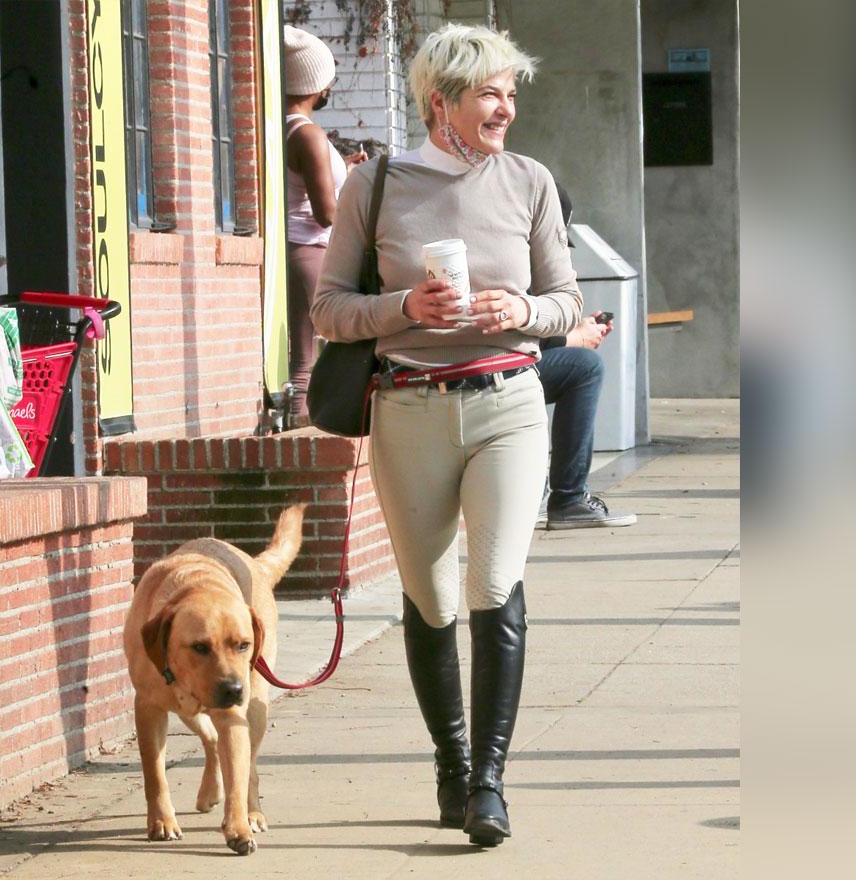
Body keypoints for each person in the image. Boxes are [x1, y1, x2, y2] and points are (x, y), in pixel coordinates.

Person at [311, 24, 579, 847]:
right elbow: (327, 312)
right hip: (408, 407)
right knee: (429, 596)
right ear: (442, 103)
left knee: (493, 583)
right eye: (490, 93)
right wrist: (405, 309)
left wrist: (522, 311)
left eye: (510, 93)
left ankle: (490, 784)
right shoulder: (377, 185)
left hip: (507, 402)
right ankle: (452, 764)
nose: (505, 108)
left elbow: (565, 301)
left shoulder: (530, 181)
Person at [533, 184, 638, 529]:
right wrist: (574, 338)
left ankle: (553, 494)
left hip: (494, 365)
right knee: (585, 367)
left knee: (581, 364)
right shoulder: (520, 255)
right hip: (489, 369)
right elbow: (514, 338)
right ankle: (569, 498)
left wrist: (575, 330)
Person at [283, 25, 366, 422]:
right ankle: (305, 446)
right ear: (318, 82)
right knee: (306, 361)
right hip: (311, 252)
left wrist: (345, 171)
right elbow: (326, 213)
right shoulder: (310, 135)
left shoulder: (282, 128)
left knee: (303, 357)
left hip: (296, 249)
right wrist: (360, 194)